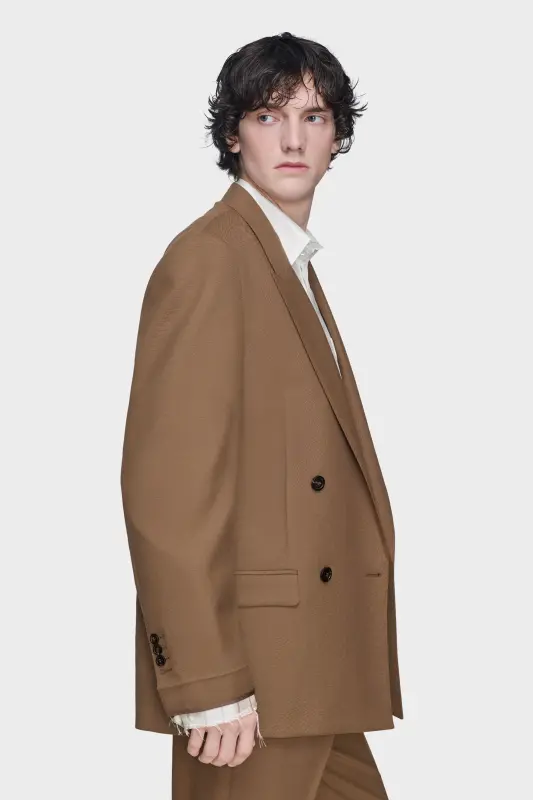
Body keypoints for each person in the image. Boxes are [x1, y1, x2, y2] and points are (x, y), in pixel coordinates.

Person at [120, 30, 404, 800]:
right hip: (250, 682)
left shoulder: (283, 261)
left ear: (338, 136)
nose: (291, 139)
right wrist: (208, 681)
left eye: (313, 117)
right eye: (267, 116)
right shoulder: (210, 259)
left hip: (314, 667)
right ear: (231, 135)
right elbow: (167, 492)